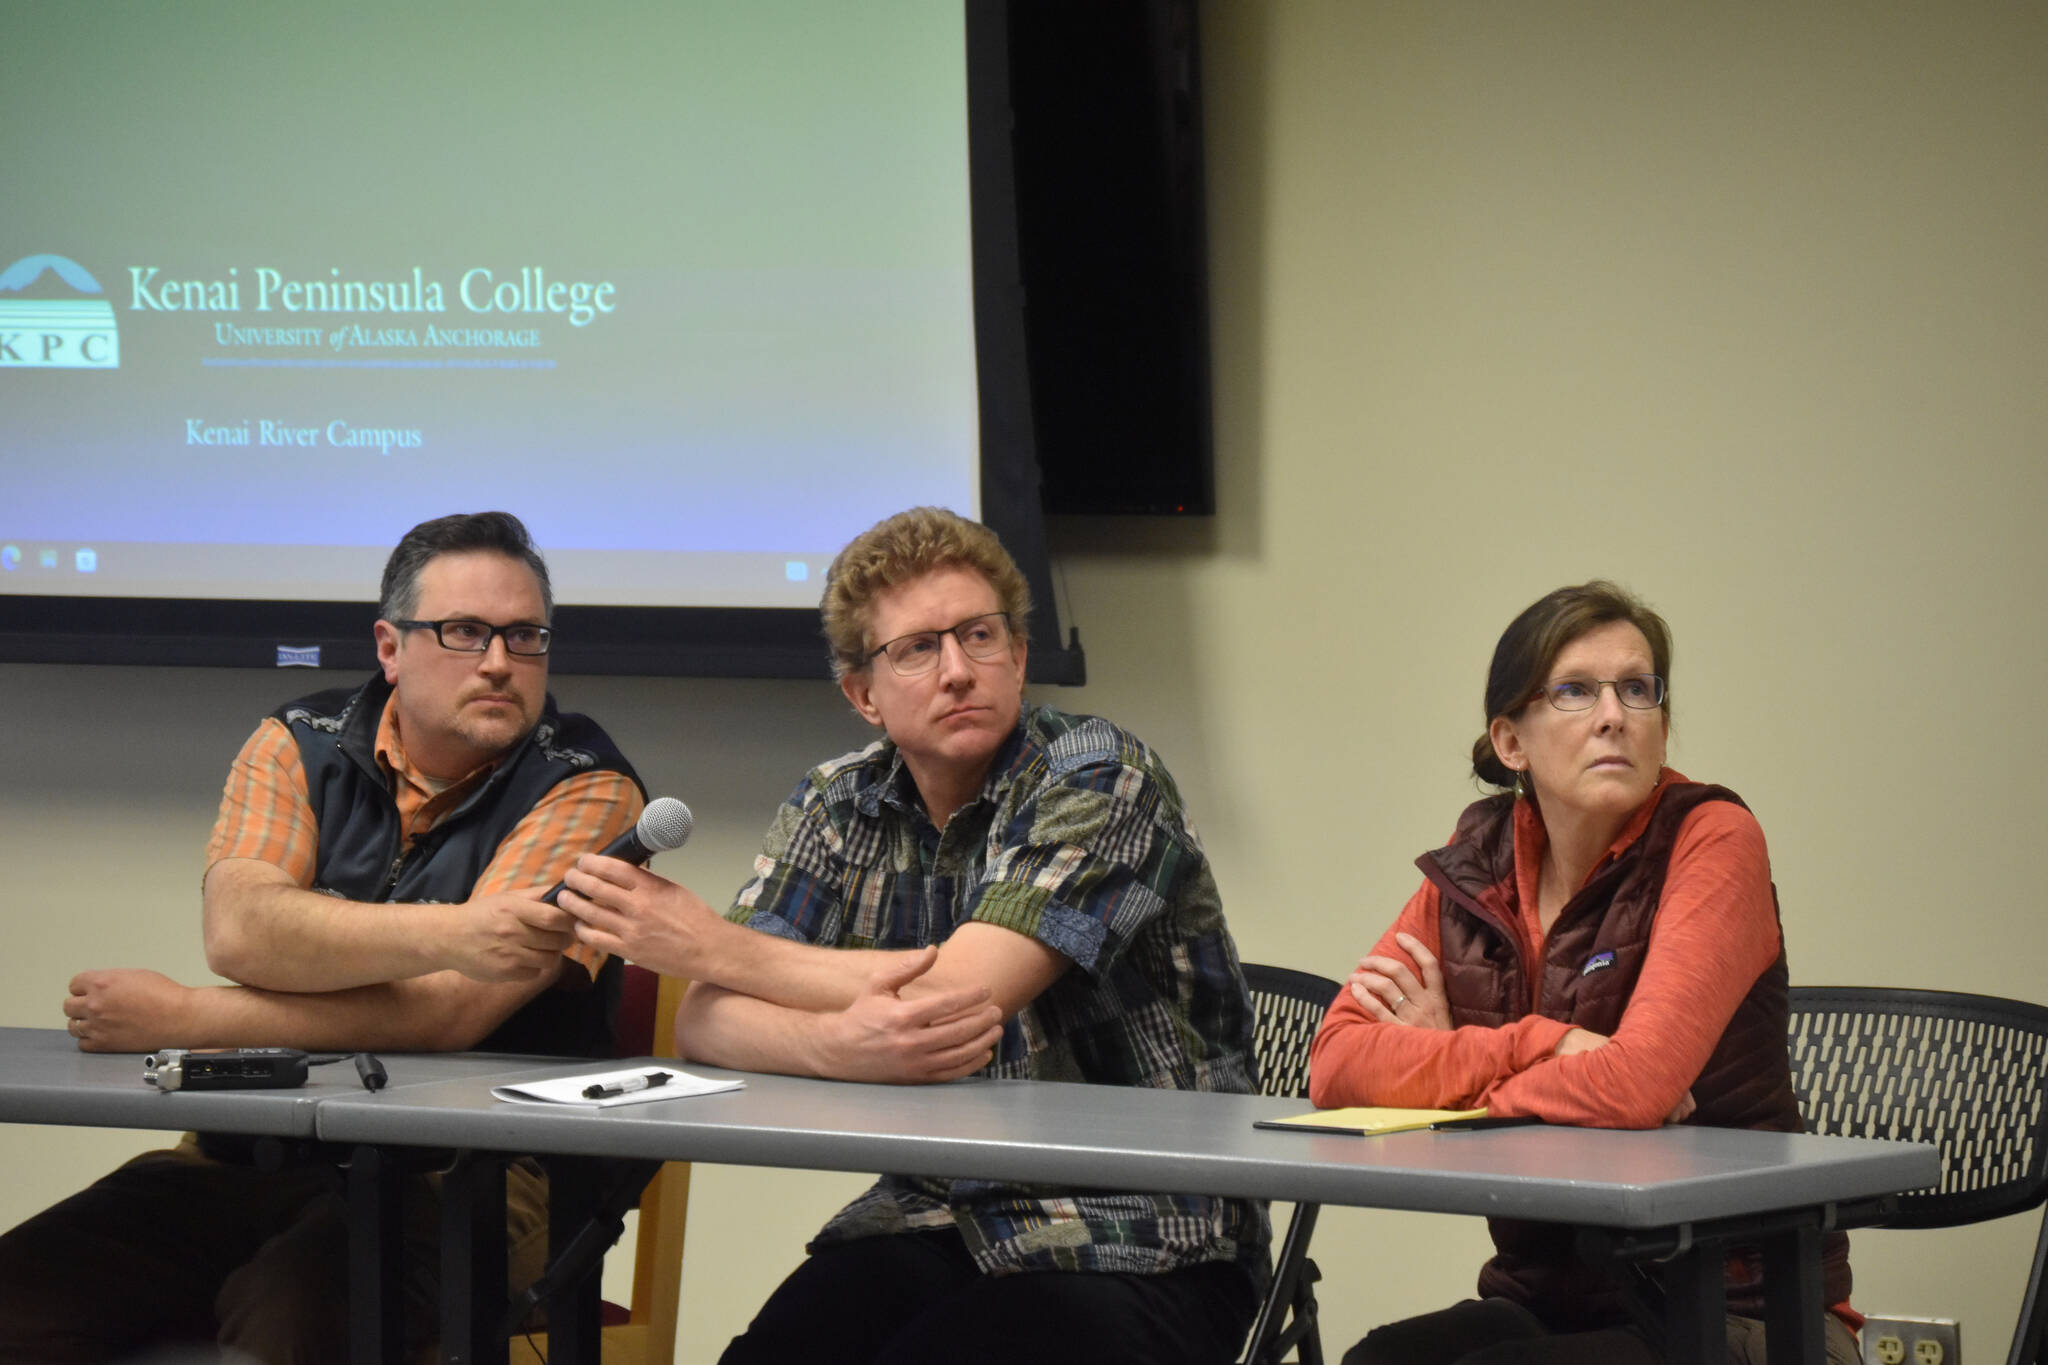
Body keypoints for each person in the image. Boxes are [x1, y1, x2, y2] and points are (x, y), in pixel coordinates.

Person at [555, 505, 1269, 1365]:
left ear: (1020, 655)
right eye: (918, 649)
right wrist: (846, 1045)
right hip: (942, 1215)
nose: (959, 670)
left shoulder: (1102, 775)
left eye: (979, 636)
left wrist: (710, 944)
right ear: (863, 694)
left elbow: (954, 998)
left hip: (1150, 1234)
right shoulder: (836, 802)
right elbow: (706, 1021)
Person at [0, 510, 647, 1364]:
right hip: (251, 1148)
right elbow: (241, 930)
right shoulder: (294, 743)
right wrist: (458, 930)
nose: (499, 662)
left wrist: (187, 1017)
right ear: (390, 646)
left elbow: (450, 1014)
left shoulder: (589, 788)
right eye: (464, 632)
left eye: (525, 636)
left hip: (476, 1170)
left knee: (296, 1320)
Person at [1308, 581, 1855, 1365]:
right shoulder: (1477, 865)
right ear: (1510, 741)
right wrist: (1548, 1044)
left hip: (1739, 1313)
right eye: (1576, 690)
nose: (1615, 715)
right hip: (1549, 1302)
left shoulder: (1714, 839)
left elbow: (1636, 1086)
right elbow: (1335, 1063)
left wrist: (1445, 1065)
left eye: (1638, 688)